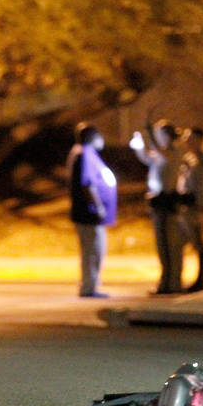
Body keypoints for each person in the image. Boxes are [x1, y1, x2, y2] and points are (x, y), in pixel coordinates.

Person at [130, 120, 183, 294]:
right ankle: (165, 282)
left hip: (168, 202)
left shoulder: (173, 152)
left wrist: (149, 133)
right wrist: (138, 146)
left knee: (171, 245)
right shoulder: (158, 155)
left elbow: (162, 154)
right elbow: (147, 157)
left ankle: (174, 282)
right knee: (161, 245)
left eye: (160, 134)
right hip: (157, 203)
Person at [67, 122, 117, 298]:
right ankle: (89, 286)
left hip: (86, 212)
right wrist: (98, 206)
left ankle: (91, 284)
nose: (101, 139)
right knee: (93, 250)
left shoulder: (80, 153)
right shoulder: (85, 154)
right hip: (88, 213)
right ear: (91, 137)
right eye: (99, 135)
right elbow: (88, 183)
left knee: (93, 249)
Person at [175, 127, 203, 292]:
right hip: (185, 206)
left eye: (191, 138)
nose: (187, 141)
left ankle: (200, 279)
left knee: (198, 243)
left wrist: (200, 210)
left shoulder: (202, 161)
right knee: (181, 242)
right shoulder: (188, 159)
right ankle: (178, 278)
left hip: (195, 207)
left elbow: (202, 188)